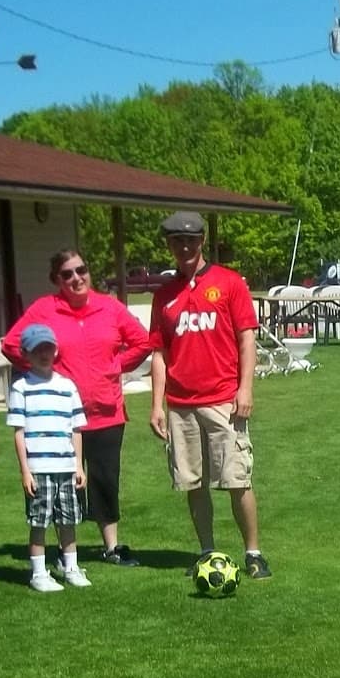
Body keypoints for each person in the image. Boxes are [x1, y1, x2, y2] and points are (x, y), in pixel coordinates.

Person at [1, 249, 153, 566]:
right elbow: (11, 343)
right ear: (57, 280)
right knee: (61, 485)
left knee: (105, 481)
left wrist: (116, 365)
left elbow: (143, 342)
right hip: (60, 418)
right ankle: (65, 552)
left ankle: (111, 547)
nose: (76, 278)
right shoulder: (45, 309)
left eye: (80, 270)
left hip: (106, 412)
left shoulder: (110, 307)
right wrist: (43, 373)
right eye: (66, 274)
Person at [146, 210, 271, 579]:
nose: (184, 247)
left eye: (190, 240)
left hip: (223, 400)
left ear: (201, 242)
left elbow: (247, 338)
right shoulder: (164, 295)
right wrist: (156, 403)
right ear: (169, 245)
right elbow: (160, 353)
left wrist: (245, 388)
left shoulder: (229, 283)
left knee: (237, 479)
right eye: (176, 241)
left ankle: (253, 553)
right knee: (193, 482)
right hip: (181, 405)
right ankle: (206, 551)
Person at [6, 323, 90, 592]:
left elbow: (75, 428)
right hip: (39, 467)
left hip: (65, 465)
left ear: (55, 351)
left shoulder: (67, 386)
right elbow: (19, 432)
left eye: (48, 348)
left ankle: (71, 567)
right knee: (39, 521)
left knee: (68, 519)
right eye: (37, 349)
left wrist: (78, 465)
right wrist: (25, 471)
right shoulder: (21, 388)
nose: (44, 354)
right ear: (26, 354)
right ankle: (39, 573)